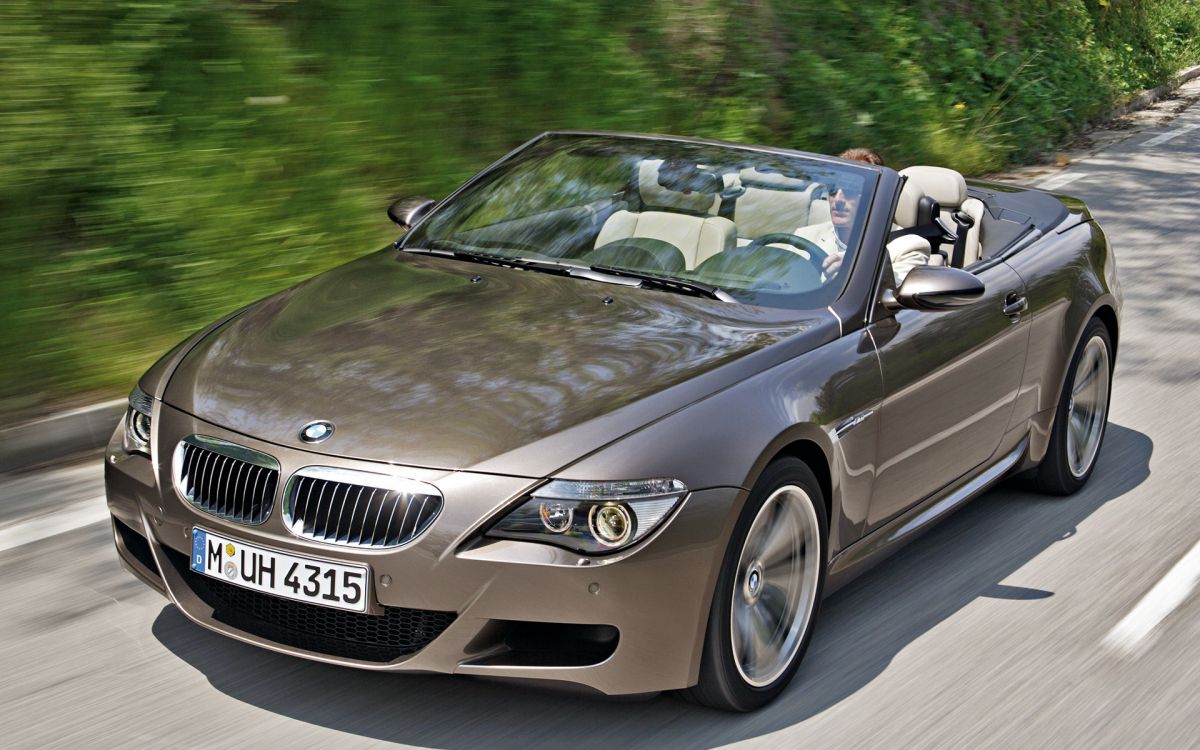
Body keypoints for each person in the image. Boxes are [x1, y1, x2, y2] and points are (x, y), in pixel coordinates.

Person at [795, 147, 929, 283]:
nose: (838, 199)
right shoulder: (803, 237)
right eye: (833, 190)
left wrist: (859, 273)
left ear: (876, 196)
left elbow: (895, 296)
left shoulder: (909, 248)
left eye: (851, 190)